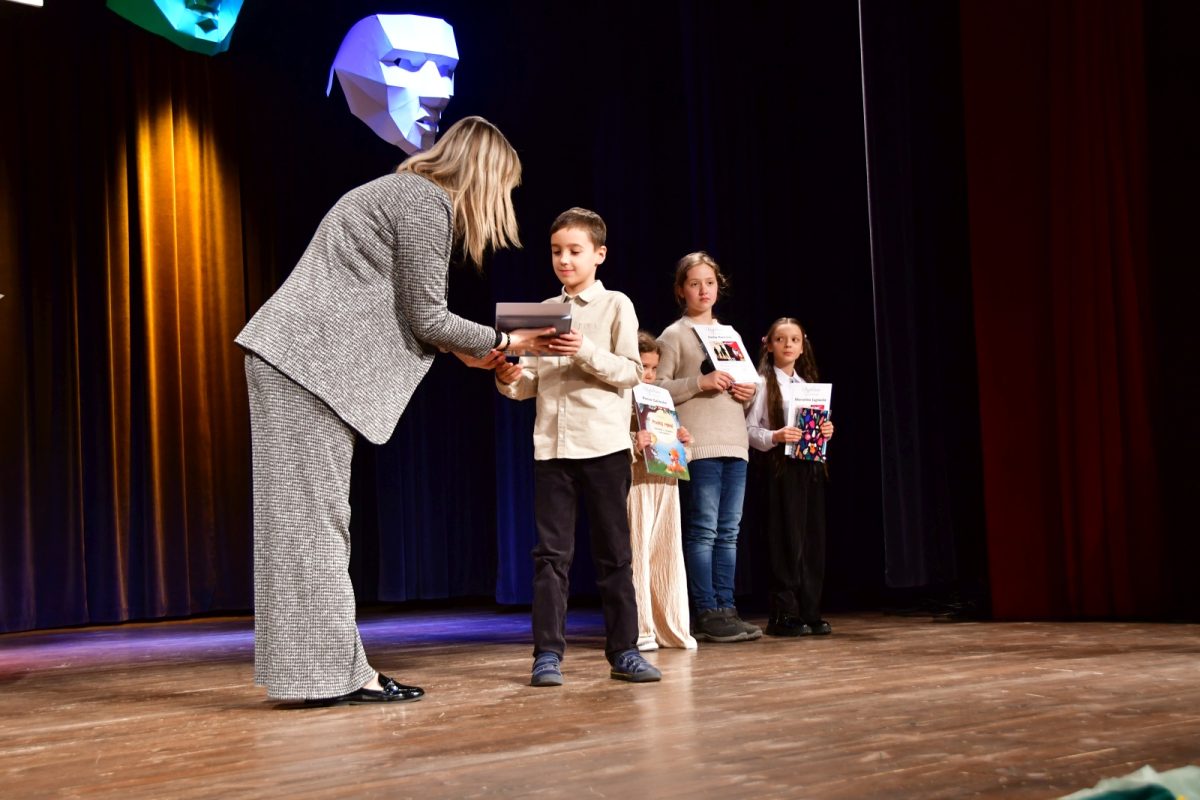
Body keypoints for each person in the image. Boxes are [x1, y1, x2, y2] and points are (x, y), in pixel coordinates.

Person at [235, 116, 555, 705]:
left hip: (296, 359)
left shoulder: (401, 192)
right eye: (503, 187)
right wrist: (509, 340)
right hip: (306, 361)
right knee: (314, 524)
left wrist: (469, 350)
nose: (501, 203)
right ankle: (336, 676)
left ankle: (319, 674)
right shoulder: (424, 200)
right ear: (483, 174)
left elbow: (412, 314)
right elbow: (427, 316)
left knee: (304, 524)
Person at [495, 207, 662, 686]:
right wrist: (507, 376)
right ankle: (547, 654)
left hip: (604, 446)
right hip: (552, 448)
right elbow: (530, 385)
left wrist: (583, 350)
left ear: (599, 254)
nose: (564, 260)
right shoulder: (543, 311)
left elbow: (632, 372)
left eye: (574, 251)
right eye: (556, 251)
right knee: (550, 556)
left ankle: (624, 651)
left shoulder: (616, 306)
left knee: (613, 554)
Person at [655, 252, 761, 643]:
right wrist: (699, 383)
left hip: (735, 442)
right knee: (703, 531)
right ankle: (706, 610)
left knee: (728, 533)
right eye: (695, 283)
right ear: (681, 290)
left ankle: (726, 607)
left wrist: (748, 392)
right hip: (700, 444)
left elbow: (746, 387)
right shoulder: (674, 335)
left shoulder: (729, 334)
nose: (704, 290)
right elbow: (656, 388)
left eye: (710, 283)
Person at [745, 317, 836, 636]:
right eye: (781, 339)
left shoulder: (806, 385)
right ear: (768, 345)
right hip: (779, 468)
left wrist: (825, 430)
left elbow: (813, 429)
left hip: (808, 466)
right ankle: (783, 613)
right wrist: (776, 436)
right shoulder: (760, 383)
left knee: (811, 539)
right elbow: (749, 430)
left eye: (794, 340)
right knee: (784, 539)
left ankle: (810, 609)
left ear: (802, 346)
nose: (788, 345)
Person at [628, 332, 699, 651]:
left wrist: (682, 443)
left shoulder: (659, 398)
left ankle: (671, 627)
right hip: (636, 481)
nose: (649, 374)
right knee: (638, 552)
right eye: (643, 366)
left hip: (665, 482)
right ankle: (641, 629)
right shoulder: (619, 396)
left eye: (654, 368)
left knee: (667, 552)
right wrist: (633, 441)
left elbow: (673, 451)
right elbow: (607, 440)